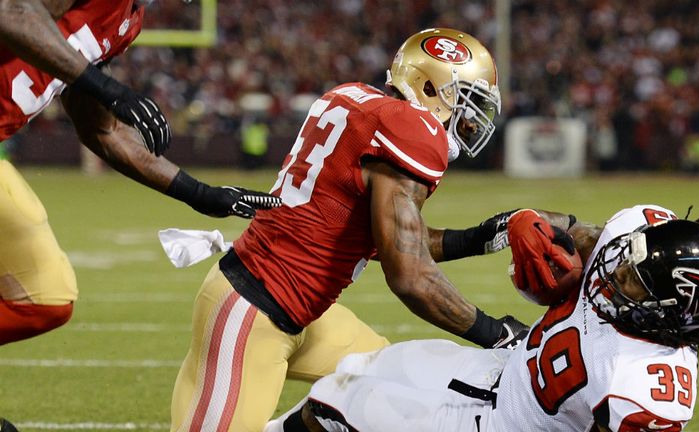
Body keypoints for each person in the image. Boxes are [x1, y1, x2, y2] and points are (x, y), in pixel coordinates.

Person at [169, 28, 574, 432]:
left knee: (392, 383)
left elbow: (388, 238)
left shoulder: (354, 97)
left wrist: (479, 237)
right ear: (431, 87)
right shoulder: (411, 129)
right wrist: (496, 332)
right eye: (467, 101)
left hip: (303, 311)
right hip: (253, 309)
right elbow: (409, 275)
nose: (470, 121)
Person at [269, 203, 699, 432]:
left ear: (663, 312)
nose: (612, 270)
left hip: (500, 425)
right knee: (362, 368)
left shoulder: (645, 384)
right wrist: (533, 225)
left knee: (335, 406)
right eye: (624, 259)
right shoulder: (635, 237)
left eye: (630, 280)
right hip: (504, 370)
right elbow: (585, 235)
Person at [0, 0, 281, 346]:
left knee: (45, 300)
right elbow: (12, 12)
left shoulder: (127, 21)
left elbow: (105, 131)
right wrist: (109, 88)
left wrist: (201, 194)